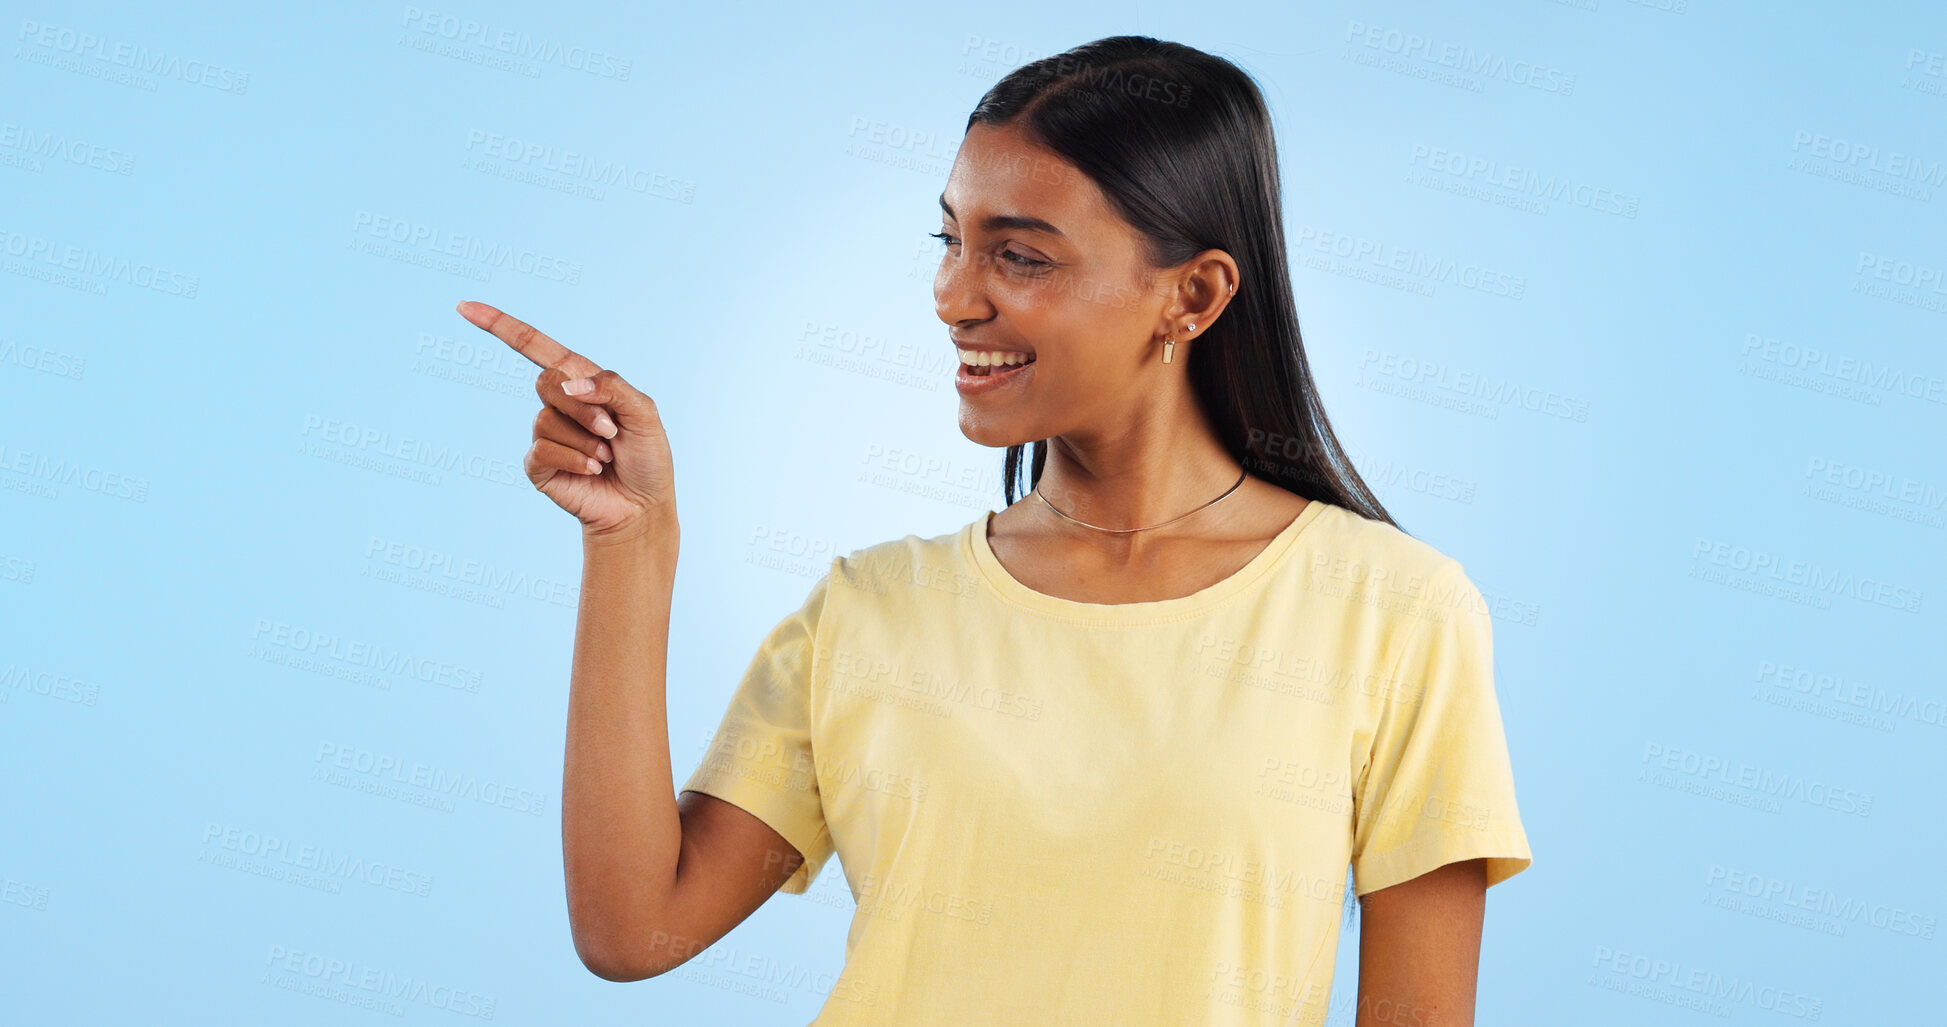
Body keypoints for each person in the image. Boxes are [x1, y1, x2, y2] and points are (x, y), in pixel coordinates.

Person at [457, 33, 1531, 1027]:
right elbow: (632, 929)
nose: (952, 297)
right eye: (950, 240)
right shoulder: (868, 610)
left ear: (1193, 295)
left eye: (1019, 256)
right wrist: (631, 545)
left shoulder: (1395, 613)